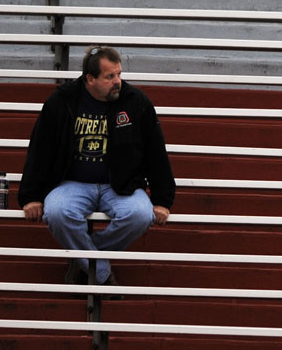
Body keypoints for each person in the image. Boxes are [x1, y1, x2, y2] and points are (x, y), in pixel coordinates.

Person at [18, 45, 176, 287]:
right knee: (57, 212)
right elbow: (41, 149)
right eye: (109, 76)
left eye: (119, 74)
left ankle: (83, 259)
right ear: (89, 79)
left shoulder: (136, 102)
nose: (117, 82)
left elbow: (155, 151)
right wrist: (31, 196)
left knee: (141, 215)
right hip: (73, 183)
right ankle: (100, 271)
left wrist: (163, 200)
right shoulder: (62, 101)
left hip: (120, 186)